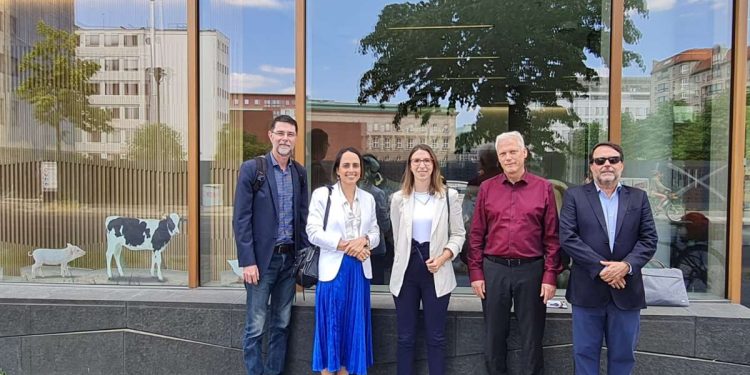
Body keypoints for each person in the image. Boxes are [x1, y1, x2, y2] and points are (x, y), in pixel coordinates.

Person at [467, 131, 562, 375]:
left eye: (512, 152)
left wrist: (550, 276)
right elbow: (476, 234)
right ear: (498, 159)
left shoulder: (544, 188)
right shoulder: (487, 189)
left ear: (524, 153)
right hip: (494, 269)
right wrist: (476, 272)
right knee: (494, 338)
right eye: (503, 154)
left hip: (531, 270)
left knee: (532, 339)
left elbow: (552, 238)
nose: (508, 158)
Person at [559, 142, 658, 375]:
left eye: (613, 160)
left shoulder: (639, 198)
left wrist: (625, 266)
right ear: (592, 166)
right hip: (587, 291)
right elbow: (568, 238)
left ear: (621, 165)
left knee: (624, 356)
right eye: (600, 160)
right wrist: (602, 269)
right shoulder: (574, 196)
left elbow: (649, 239)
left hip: (627, 291)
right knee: (584, 355)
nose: (607, 165)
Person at [232, 115, 309, 375]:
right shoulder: (253, 169)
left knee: (282, 323)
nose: (285, 138)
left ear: (296, 139)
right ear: (271, 136)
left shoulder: (299, 172)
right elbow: (241, 219)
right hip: (261, 263)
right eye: (281, 133)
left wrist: (305, 257)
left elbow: (303, 216)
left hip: (289, 261)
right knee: (255, 325)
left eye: (290, 134)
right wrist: (247, 261)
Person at [389, 144, 466, 375]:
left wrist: (444, 257)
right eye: (416, 161)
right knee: (405, 337)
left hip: (437, 270)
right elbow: (396, 236)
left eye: (427, 160)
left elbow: (459, 234)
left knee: (436, 337)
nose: (422, 165)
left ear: (434, 165)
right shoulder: (398, 199)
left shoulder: (449, 197)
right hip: (406, 271)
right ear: (410, 166)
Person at [307, 147, 381, 375]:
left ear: (362, 170)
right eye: (346, 165)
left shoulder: (368, 198)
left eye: (356, 165)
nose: (351, 170)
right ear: (337, 170)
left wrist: (365, 240)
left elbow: (376, 233)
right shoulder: (323, 195)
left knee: (352, 333)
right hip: (333, 273)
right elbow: (312, 232)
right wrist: (347, 246)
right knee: (333, 330)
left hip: (359, 273)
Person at [360, 153, 393, 285]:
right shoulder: (377, 193)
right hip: (375, 249)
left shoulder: (349, 191)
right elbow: (385, 225)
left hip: (357, 248)